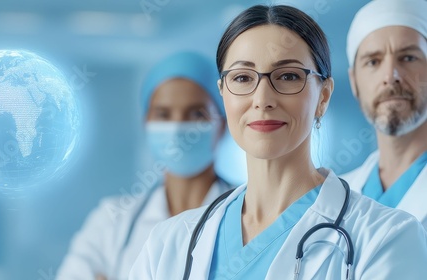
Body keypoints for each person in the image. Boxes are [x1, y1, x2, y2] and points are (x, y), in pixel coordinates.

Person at [129, 4, 427, 279]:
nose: (262, 99)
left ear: (323, 96)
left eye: (287, 76)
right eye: (243, 78)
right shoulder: (169, 243)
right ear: (223, 93)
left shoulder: (387, 237)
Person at [55, 51, 234, 280]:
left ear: (223, 125)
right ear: (146, 123)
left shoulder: (248, 214)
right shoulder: (113, 220)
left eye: (196, 113)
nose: (178, 127)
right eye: (163, 114)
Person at [341, 0, 427, 229]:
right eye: (373, 62)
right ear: (354, 82)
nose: (391, 76)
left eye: (408, 57)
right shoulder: (336, 197)